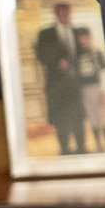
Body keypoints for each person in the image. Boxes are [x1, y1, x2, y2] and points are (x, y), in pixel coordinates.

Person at [33, 11, 87, 157]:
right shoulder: (46, 33)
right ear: (56, 14)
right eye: (61, 12)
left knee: (78, 117)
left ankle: (82, 147)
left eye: (67, 11)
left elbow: (84, 53)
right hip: (56, 84)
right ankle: (65, 148)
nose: (65, 15)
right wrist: (57, 63)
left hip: (76, 83)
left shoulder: (78, 31)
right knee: (60, 117)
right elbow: (40, 54)